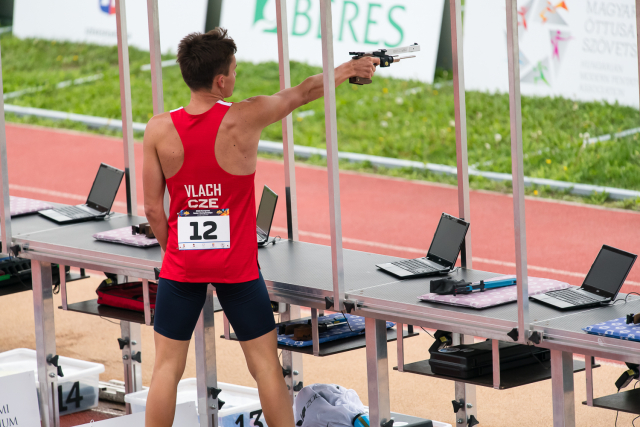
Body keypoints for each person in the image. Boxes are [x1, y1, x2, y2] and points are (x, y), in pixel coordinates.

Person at [142, 28, 378, 427]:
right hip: (237, 269)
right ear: (221, 81)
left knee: (166, 369)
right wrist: (349, 69)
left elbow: (151, 208)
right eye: (234, 70)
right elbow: (303, 92)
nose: (236, 77)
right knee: (266, 367)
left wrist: (176, 253)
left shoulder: (158, 129)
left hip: (182, 268)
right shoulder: (244, 117)